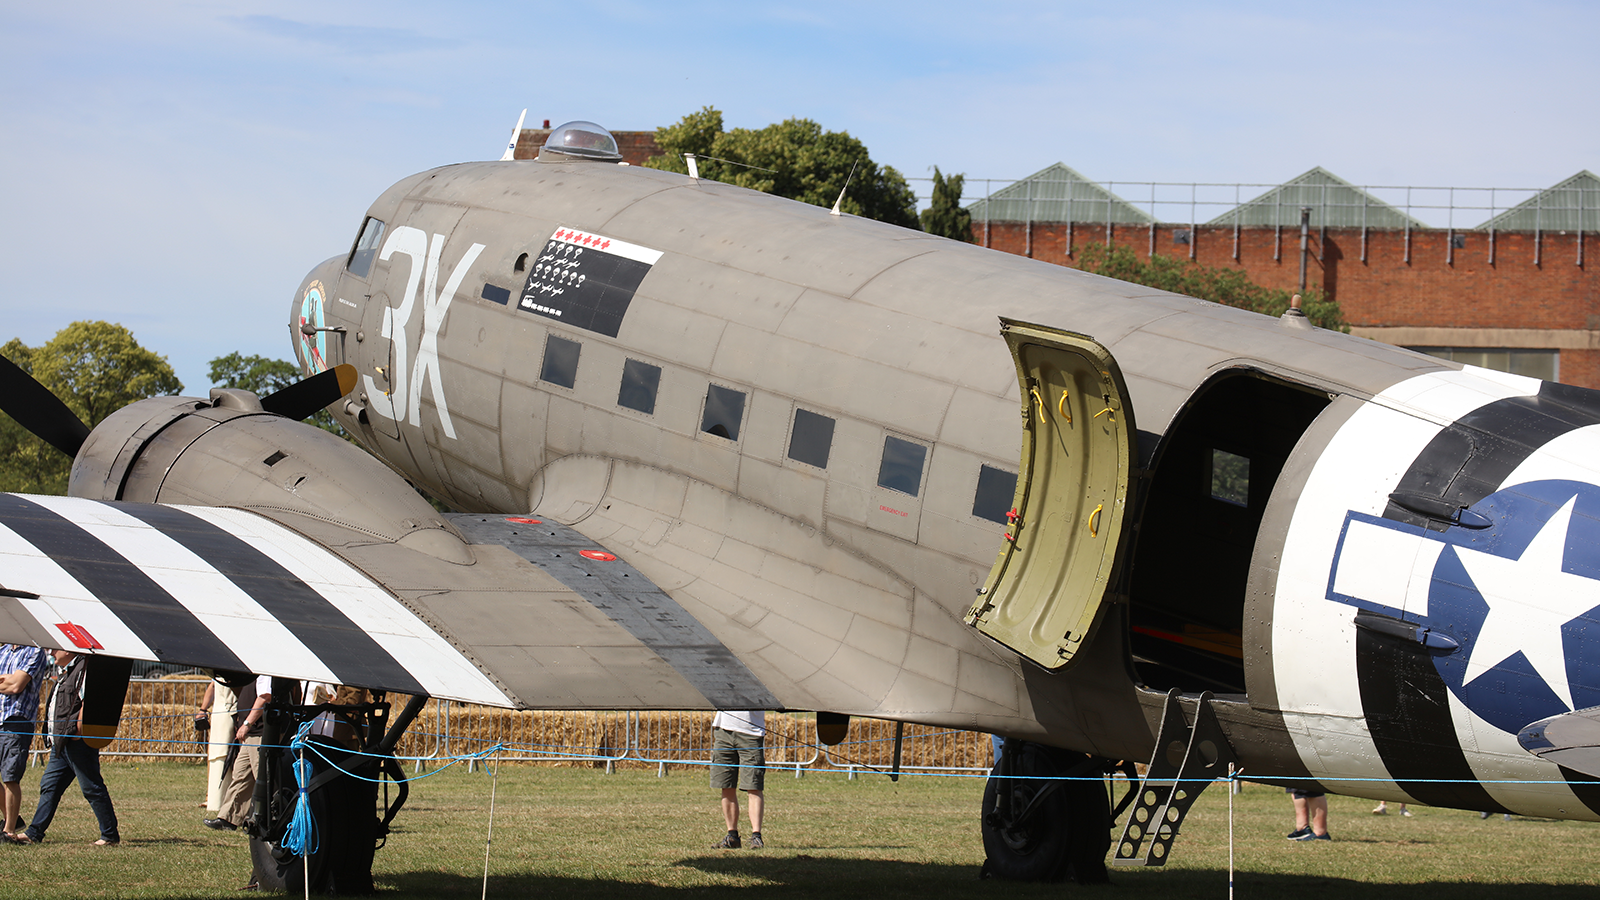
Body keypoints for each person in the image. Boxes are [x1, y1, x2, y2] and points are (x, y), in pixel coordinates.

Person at [17, 650, 119, 845]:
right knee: (49, 786)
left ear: (69, 650)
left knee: (91, 787)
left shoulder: (83, 670)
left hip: (75, 741)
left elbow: (90, 701)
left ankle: (109, 835)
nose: (51, 652)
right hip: (60, 742)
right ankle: (34, 833)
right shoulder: (68, 671)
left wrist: (79, 731)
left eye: (56, 648)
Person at [205, 674, 273, 832]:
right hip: (251, 733)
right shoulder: (252, 673)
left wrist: (247, 723)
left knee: (263, 778)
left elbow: (265, 697)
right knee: (241, 774)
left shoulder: (265, 672)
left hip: (261, 732)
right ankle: (228, 819)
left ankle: (271, 819)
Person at [0, 643, 49, 841]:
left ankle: (9, 831)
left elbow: (16, 685)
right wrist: (7, 680)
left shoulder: (35, 652)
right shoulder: (3, 651)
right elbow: (9, 682)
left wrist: (8, 680)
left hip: (17, 721)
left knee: (10, 777)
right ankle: (12, 819)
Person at [710, 710, 766, 849]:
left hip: (751, 732)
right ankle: (732, 835)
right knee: (726, 785)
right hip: (723, 730)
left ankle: (756, 836)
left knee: (753, 786)